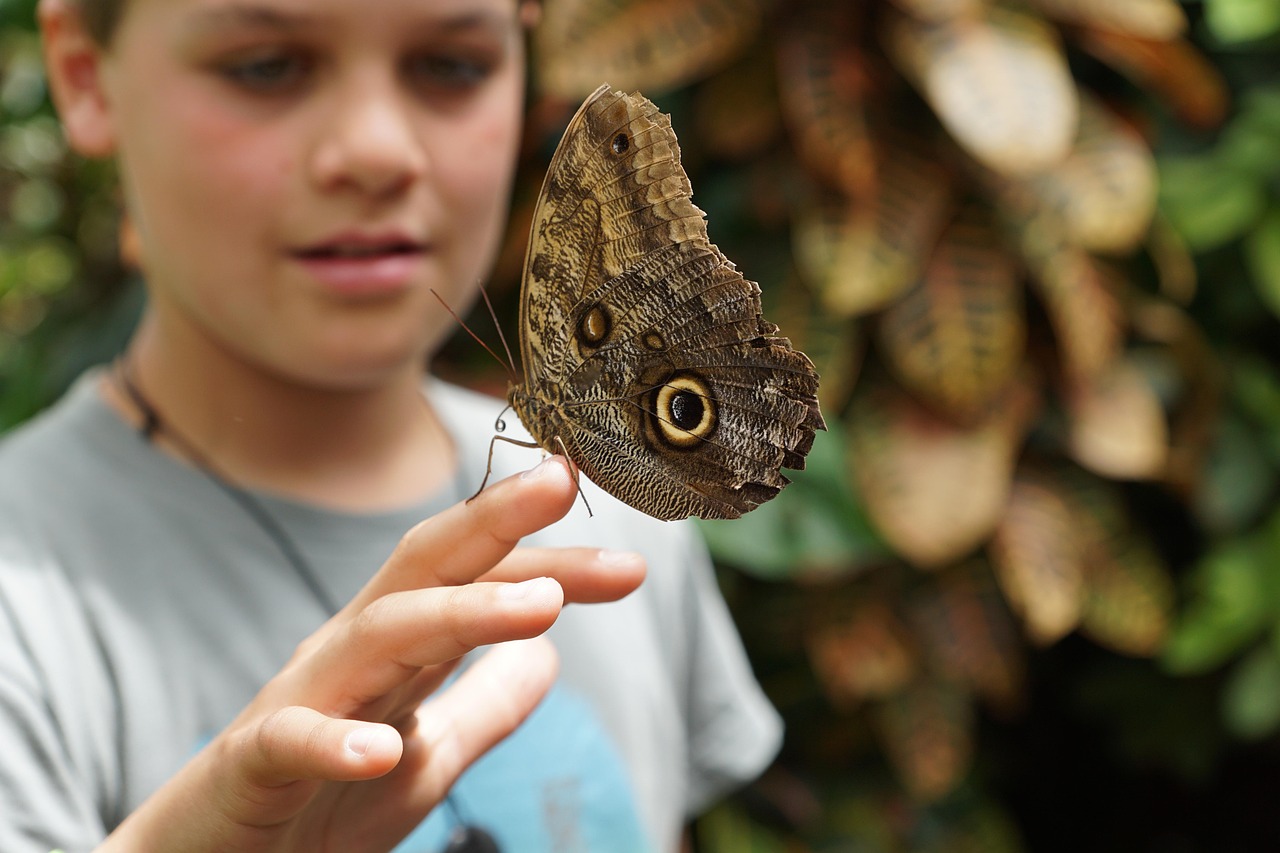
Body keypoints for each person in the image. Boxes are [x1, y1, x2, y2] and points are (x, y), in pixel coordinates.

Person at [0, 0, 784, 850]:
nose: (376, 151)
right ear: (82, 74)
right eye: (266, 65)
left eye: (451, 65)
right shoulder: (26, 611)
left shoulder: (630, 534)